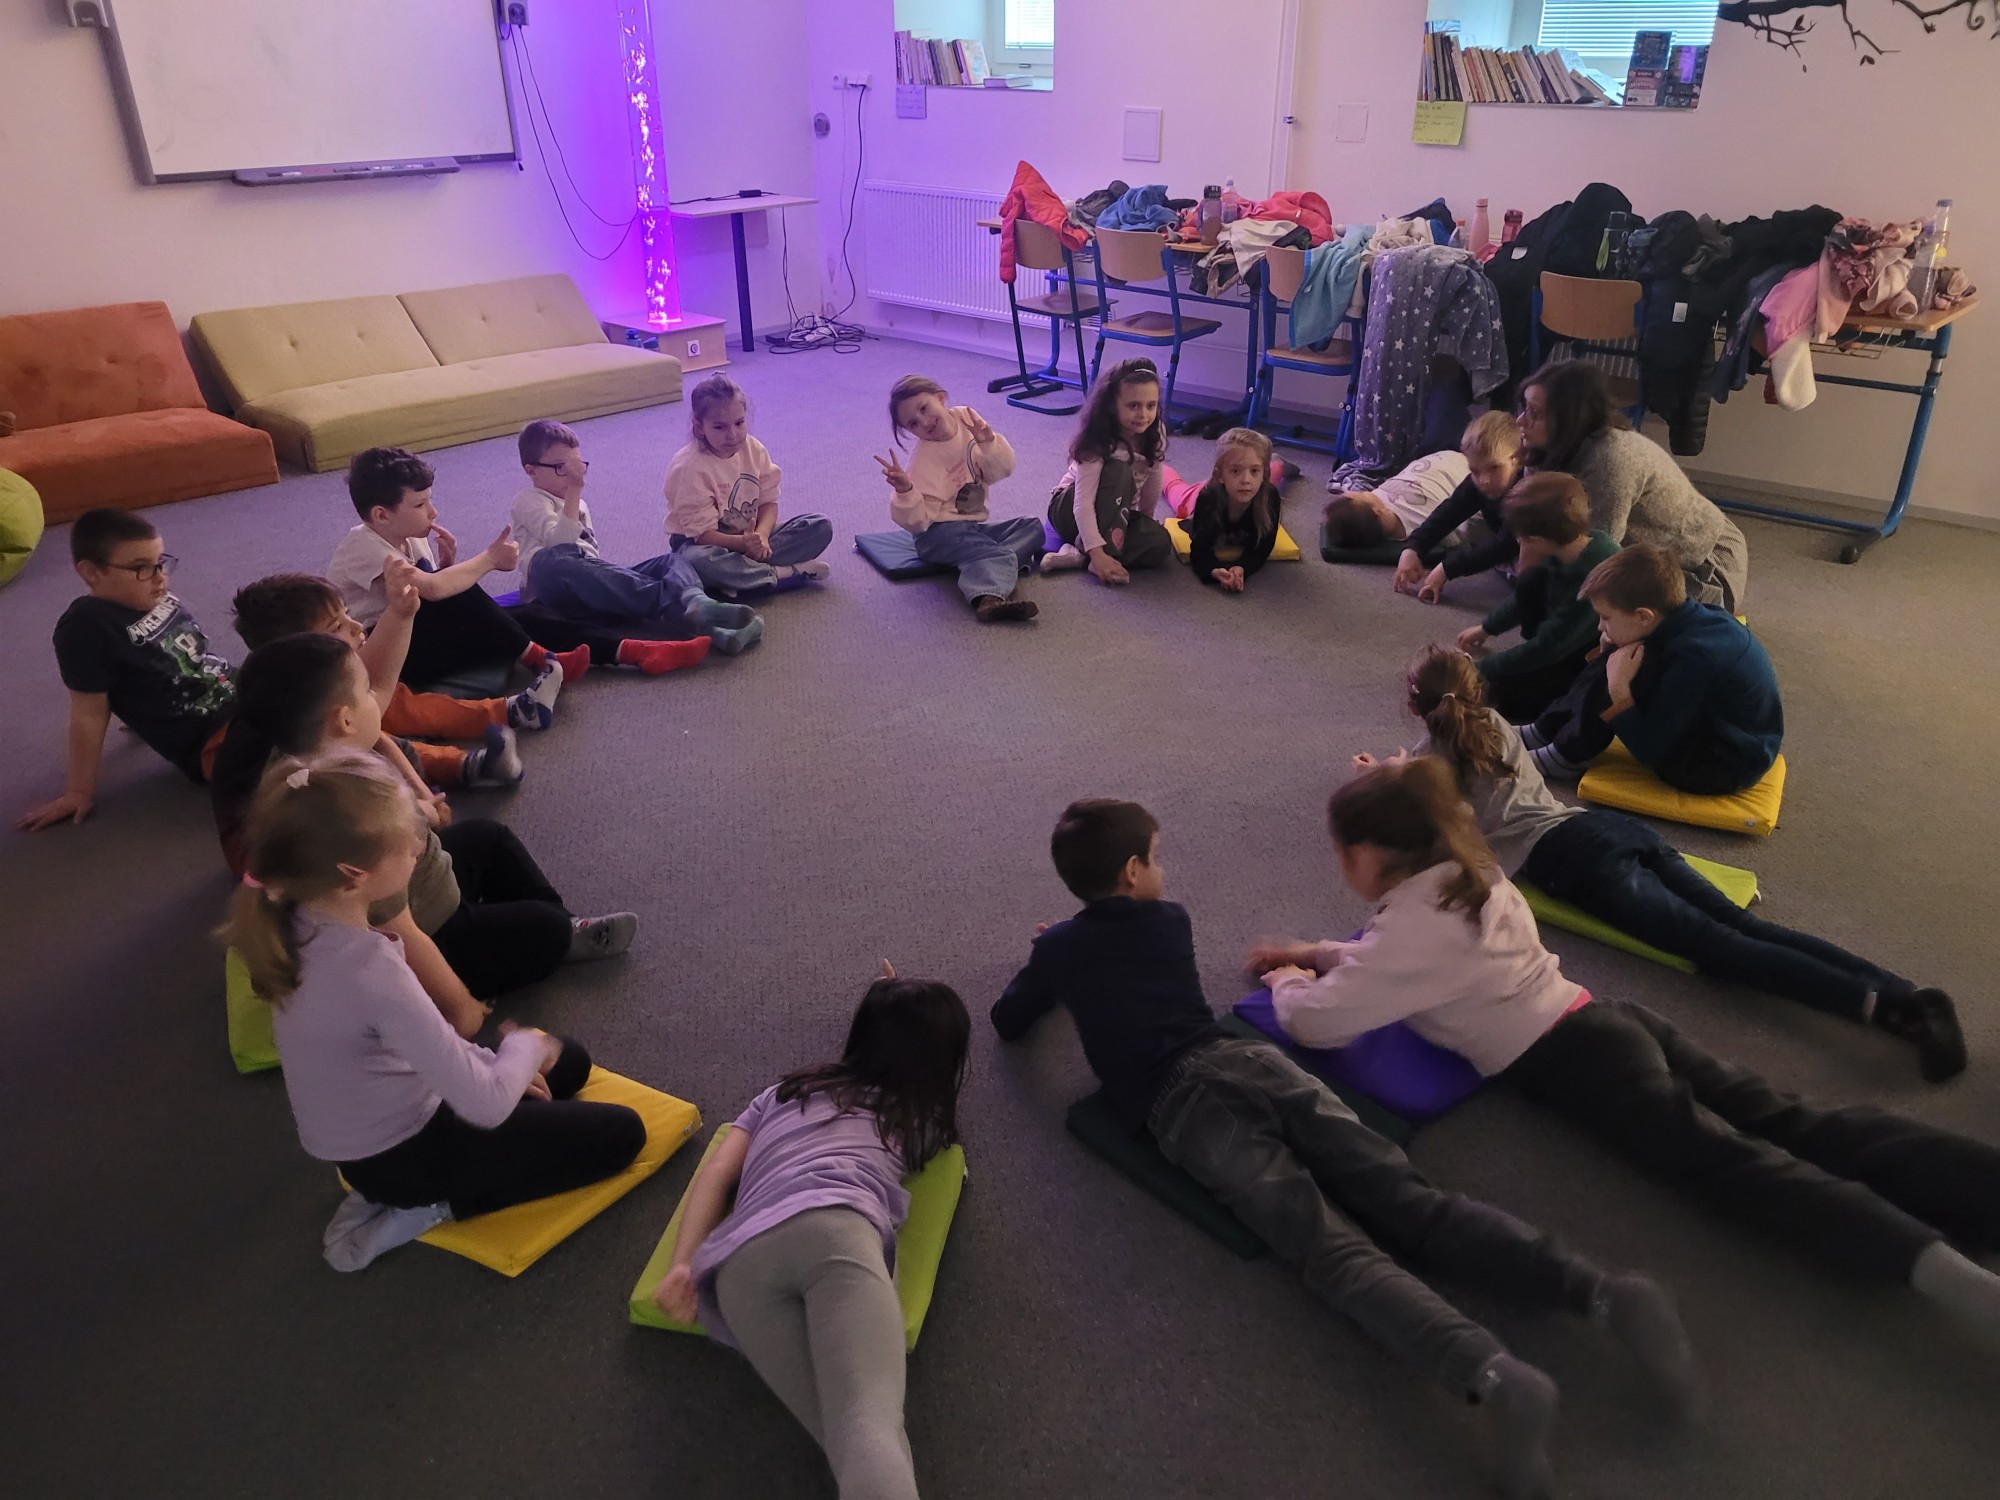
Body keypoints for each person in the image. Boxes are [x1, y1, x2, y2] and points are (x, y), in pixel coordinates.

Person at [992, 798, 1700, 1498]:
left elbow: (1010, 1018)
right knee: (1408, 1197)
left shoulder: (1061, 950)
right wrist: (1073, 948)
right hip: (1257, 1063)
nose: (1163, 869)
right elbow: (1122, 949)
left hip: (1188, 1109)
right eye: (1156, 857)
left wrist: (1054, 954)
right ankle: (1603, 1293)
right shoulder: (1169, 920)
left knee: (1329, 1249)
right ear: (1131, 872)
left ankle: (1494, 1376)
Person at [1255, 759, 2000, 1348]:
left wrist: (1291, 982)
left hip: (1579, 1067)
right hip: (1611, 1020)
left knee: (1733, 1165)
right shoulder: (1467, 874)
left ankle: (1950, 1278)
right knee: (1791, 1119)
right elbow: (1395, 958)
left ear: (1367, 854)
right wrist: (1320, 951)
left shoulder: (1412, 933)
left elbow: (1323, 1022)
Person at [1366, 644, 1965, 1080]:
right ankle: (1904, 993)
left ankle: (1882, 1008)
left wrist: (1387, 776)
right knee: (1742, 926)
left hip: (1575, 863)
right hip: (1607, 827)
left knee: (1719, 948)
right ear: (1474, 692)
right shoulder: (1493, 724)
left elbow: (1421, 830)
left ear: (1414, 706)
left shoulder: (1428, 765)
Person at [227, 748, 646, 1271]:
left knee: (571, 1062)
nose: (419, 844)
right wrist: (520, 1048)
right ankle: (432, 1207)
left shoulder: (296, 920)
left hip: (378, 1140)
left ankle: (412, 1185)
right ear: (354, 875)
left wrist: (504, 1062)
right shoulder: (371, 970)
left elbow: (415, 1050)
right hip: (411, 1155)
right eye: (408, 840)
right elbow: (486, 1104)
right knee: (621, 1136)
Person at [653, 966, 968, 1500]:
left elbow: (716, 1172)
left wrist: (682, 1262)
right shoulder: (917, 1116)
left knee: (848, 1438)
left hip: (742, 1267)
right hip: (838, 1233)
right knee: (866, 1430)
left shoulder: (780, 1093)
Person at [211, 631, 636, 1021]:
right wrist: (459, 1006)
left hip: (428, 879)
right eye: (367, 691)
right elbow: (401, 930)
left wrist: (422, 807)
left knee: (488, 836)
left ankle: (561, 923)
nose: (377, 698)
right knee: (544, 930)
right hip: (430, 935)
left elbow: (383, 743)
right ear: (344, 720)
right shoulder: (347, 825)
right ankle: (560, 932)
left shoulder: (313, 761)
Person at [19, 508, 235, 832]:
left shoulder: (151, 595)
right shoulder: (85, 626)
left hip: (241, 692)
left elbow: (163, 662)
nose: (160, 577)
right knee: (297, 757)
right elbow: (88, 713)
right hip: (211, 734)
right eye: (140, 568)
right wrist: (78, 791)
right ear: (92, 572)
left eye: (160, 562)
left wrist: (143, 714)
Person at [1520, 544, 1781, 794]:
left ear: (1644, 616)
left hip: (1722, 767)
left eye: (1606, 617)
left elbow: (1649, 748)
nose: (1600, 626)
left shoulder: (1696, 658)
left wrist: (1619, 690)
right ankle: (1543, 730)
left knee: (1624, 669)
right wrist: (1610, 656)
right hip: (1714, 730)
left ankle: (1563, 758)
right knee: (1620, 654)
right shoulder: (1689, 616)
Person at [329, 446, 597, 688]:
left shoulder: (410, 535)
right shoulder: (362, 547)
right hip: (386, 657)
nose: (433, 512)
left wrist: (446, 566)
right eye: (420, 504)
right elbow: (434, 589)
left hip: (413, 632)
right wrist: (490, 559)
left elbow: (429, 590)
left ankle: (616, 648)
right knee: (481, 611)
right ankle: (538, 659)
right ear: (381, 515)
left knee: (523, 615)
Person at [508, 419, 762, 657]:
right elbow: (560, 545)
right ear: (531, 470)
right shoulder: (529, 501)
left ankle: (706, 617)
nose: (575, 476)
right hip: (550, 590)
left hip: (587, 588)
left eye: (577, 467)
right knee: (552, 561)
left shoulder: (579, 504)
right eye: (561, 468)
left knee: (673, 560)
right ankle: (681, 602)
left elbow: (592, 564)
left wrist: (608, 580)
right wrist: (575, 490)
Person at [1519, 361, 1748, 613]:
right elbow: (1533, 529)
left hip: (1705, 564)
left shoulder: (1611, 459)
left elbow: (1599, 557)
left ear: (1567, 418)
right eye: (1524, 408)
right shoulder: (1547, 448)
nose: (1521, 420)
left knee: (1610, 610)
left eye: (1534, 412)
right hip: (1647, 558)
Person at [231, 569, 563, 738]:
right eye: (336, 627)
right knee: (403, 716)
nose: (356, 626)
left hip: (367, 697)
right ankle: (510, 714)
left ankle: (513, 708)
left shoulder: (328, 676)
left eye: (348, 615)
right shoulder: (313, 716)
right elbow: (384, 720)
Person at [1454, 475, 1620, 721]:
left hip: (1590, 657)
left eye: (1520, 538)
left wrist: (1479, 668)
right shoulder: (1568, 546)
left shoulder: (1595, 579)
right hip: (1564, 635)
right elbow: (1521, 600)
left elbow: (1547, 648)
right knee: (1530, 580)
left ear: (1535, 540)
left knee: (1502, 694)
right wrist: (1487, 628)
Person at [880, 374, 1042, 623]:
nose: (924, 422)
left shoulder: (966, 418)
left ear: (940, 398)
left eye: (924, 408)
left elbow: (1000, 471)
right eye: (913, 424)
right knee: (995, 554)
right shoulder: (923, 460)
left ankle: (986, 562)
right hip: (937, 534)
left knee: (1031, 527)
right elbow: (918, 521)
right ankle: (988, 598)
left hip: (969, 527)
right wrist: (906, 491)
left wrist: (988, 444)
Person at [664, 376, 833, 597]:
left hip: (750, 535)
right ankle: (782, 573)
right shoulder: (688, 468)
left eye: (739, 423)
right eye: (719, 427)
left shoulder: (754, 449)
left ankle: (739, 578)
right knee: (697, 562)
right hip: (702, 543)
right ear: (699, 427)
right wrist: (743, 543)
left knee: (819, 526)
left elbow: (768, 503)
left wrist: (761, 536)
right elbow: (703, 535)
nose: (732, 435)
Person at [1042, 359, 1173, 583]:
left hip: (1117, 514)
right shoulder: (1098, 439)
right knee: (1119, 471)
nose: (1143, 414)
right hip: (1069, 512)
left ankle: (1078, 554)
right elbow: (1083, 503)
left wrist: (1145, 520)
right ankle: (1096, 555)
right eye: (1134, 406)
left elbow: (1153, 475)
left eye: (1151, 406)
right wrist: (1098, 554)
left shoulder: (1155, 430)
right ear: (1113, 405)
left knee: (1160, 542)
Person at [1392, 411, 1526, 602]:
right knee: (1472, 528)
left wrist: (1447, 568)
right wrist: (1413, 548)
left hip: (1525, 538)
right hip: (1503, 531)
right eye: (1475, 471)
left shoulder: (1527, 488)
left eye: (1494, 468)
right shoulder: (1477, 484)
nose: (1484, 480)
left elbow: (1507, 542)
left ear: (1518, 459)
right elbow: (1449, 512)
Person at [1180, 427, 1285, 593]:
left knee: (1274, 477)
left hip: (1253, 485)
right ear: (1220, 475)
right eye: (1236, 471)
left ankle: (1278, 463)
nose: (1246, 480)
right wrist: (1213, 570)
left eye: (1254, 471)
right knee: (1176, 490)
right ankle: (1165, 471)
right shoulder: (1208, 499)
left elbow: (1264, 546)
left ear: (1263, 474)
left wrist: (1243, 567)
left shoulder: (1268, 496)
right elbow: (1200, 549)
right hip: (1194, 495)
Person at [1322, 447, 1472, 553]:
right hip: (1464, 469)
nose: (1351, 492)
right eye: (1358, 495)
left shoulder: (1375, 507)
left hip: (1445, 460)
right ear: (1379, 512)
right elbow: (1456, 535)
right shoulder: (1423, 525)